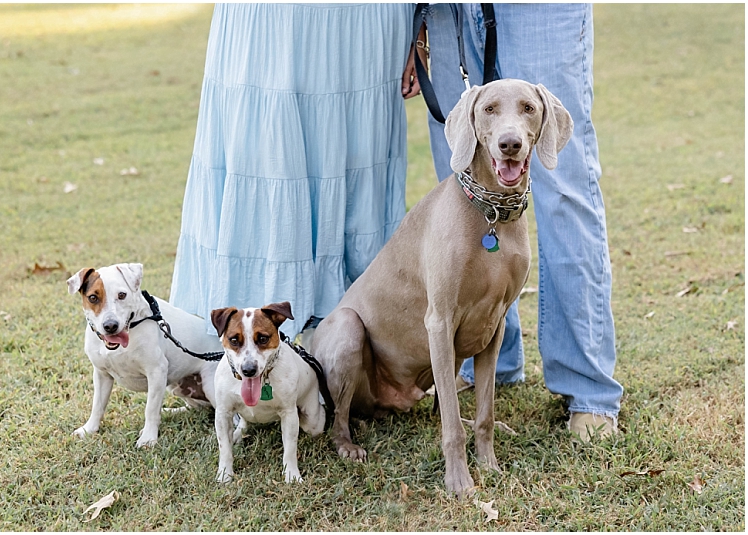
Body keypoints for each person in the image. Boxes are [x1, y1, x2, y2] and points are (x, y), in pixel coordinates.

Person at [423, 3, 623, 441]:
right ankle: (492, 360)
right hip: (447, 10)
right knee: (465, 179)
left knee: (564, 186)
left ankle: (588, 390)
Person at [170, 4, 418, 339]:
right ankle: (243, 335)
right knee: (262, 149)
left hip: (365, 21)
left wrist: (420, 32)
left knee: (356, 153)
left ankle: (358, 341)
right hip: (271, 19)